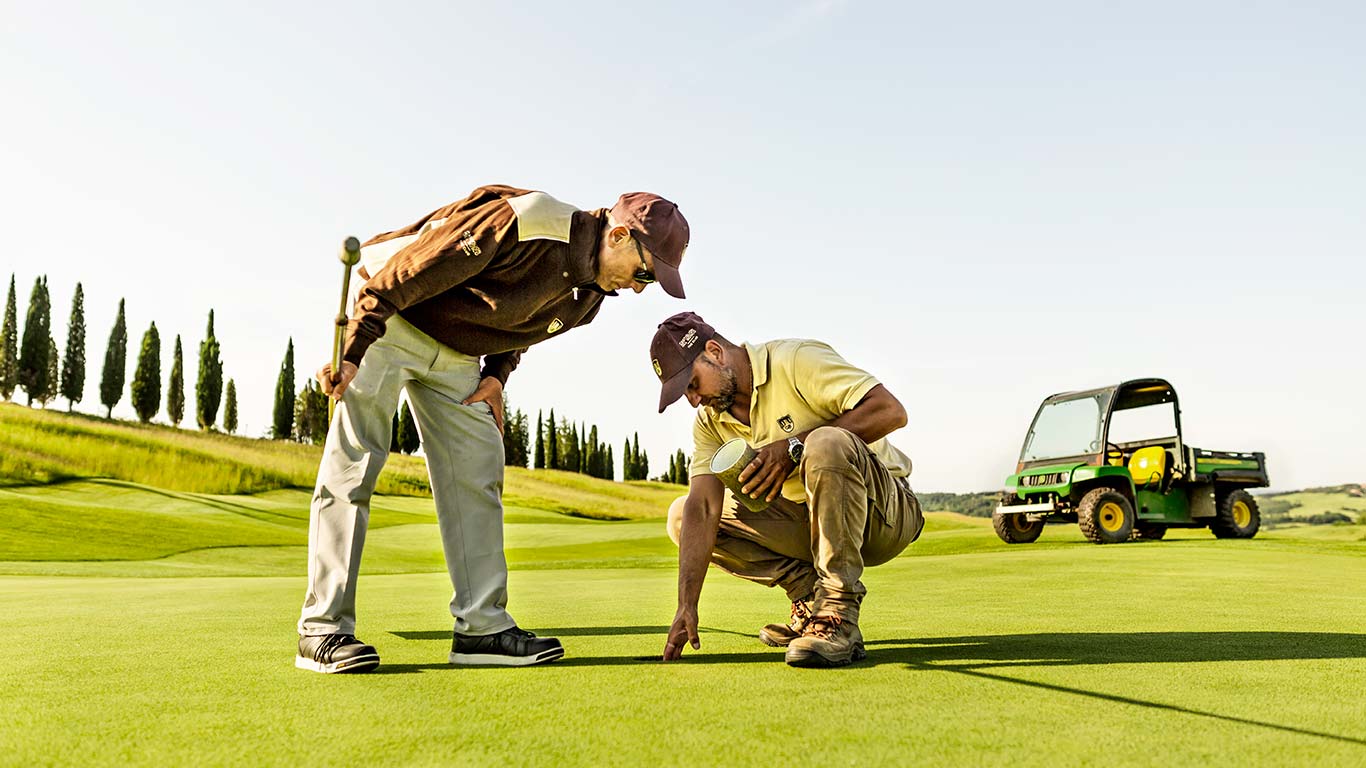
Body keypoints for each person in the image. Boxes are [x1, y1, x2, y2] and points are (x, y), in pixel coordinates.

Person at [296, 185, 689, 673]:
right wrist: (353, 351)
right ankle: (323, 629)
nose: (638, 287)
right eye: (645, 272)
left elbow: (525, 326)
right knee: (354, 465)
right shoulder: (527, 221)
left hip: (457, 350)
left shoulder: (591, 298)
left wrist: (496, 377)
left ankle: (480, 629)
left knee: (478, 468)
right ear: (620, 234)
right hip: (392, 316)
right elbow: (412, 269)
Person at [651, 312, 922, 668]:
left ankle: (838, 616)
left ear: (715, 352)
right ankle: (811, 599)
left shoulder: (795, 361)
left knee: (825, 442)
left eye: (692, 383)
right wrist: (687, 603)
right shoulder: (710, 422)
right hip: (811, 522)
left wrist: (792, 447)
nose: (693, 400)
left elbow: (890, 411)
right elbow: (702, 508)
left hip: (883, 514)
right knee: (681, 516)